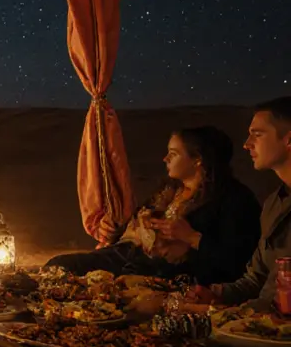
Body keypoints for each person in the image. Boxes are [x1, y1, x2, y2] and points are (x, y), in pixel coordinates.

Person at [46, 126, 261, 285]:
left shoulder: (233, 200)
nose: (165, 158)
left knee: (106, 290)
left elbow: (237, 260)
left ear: (199, 160)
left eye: (174, 153)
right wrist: (121, 229)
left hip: (167, 273)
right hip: (128, 256)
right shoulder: (168, 192)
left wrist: (192, 238)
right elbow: (135, 231)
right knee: (59, 266)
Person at [188, 97, 291, 308]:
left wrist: (226, 314)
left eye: (258, 134)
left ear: (288, 140)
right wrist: (216, 294)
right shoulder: (274, 203)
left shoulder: (235, 200)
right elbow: (257, 278)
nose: (246, 144)